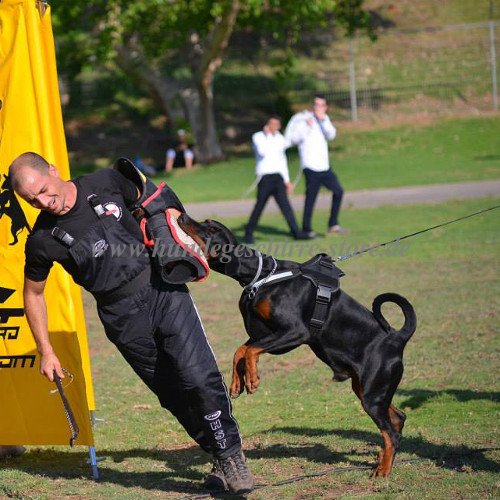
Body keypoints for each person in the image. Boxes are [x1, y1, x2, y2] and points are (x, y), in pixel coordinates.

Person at [8, 152, 254, 495]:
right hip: (120, 316)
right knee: (172, 393)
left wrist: (173, 234)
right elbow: (33, 294)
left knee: (197, 376)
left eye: (45, 190)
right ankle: (218, 452)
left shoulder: (104, 182)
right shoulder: (42, 240)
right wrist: (46, 350)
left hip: (161, 289)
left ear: (54, 170)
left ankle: (231, 456)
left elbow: (156, 201)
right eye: (31, 200)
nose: (44, 203)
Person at [244, 116, 313, 244]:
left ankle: (296, 232)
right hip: (265, 177)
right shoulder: (258, 137)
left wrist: (287, 180)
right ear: (267, 124)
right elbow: (262, 152)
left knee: (286, 206)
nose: (274, 126)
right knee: (259, 206)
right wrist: (267, 136)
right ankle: (249, 233)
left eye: (277, 124)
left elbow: (282, 161)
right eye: (272, 123)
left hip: (278, 177)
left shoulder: (280, 139)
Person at [286, 95, 347, 237]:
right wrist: (307, 126)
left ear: (325, 107)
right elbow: (294, 139)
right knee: (311, 198)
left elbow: (331, 134)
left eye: (321, 105)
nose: (318, 107)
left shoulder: (325, 119)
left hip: (324, 166)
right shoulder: (303, 120)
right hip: (310, 165)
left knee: (338, 191)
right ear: (312, 106)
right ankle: (306, 228)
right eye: (316, 104)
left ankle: (333, 224)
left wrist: (322, 120)